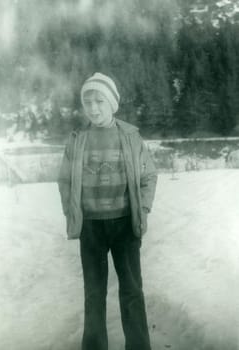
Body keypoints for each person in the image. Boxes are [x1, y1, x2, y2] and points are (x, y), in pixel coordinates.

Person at [58, 72, 158, 350]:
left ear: (112, 103)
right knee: (94, 293)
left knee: (132, 291)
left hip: (125, 225)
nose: (93, 108)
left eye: (99, 101)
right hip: (91, 227)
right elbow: (64, 179)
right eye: (87, 102)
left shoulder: (130, 136)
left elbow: (149, 175)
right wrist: (72, 211)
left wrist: (144, 208)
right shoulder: (77, 139)